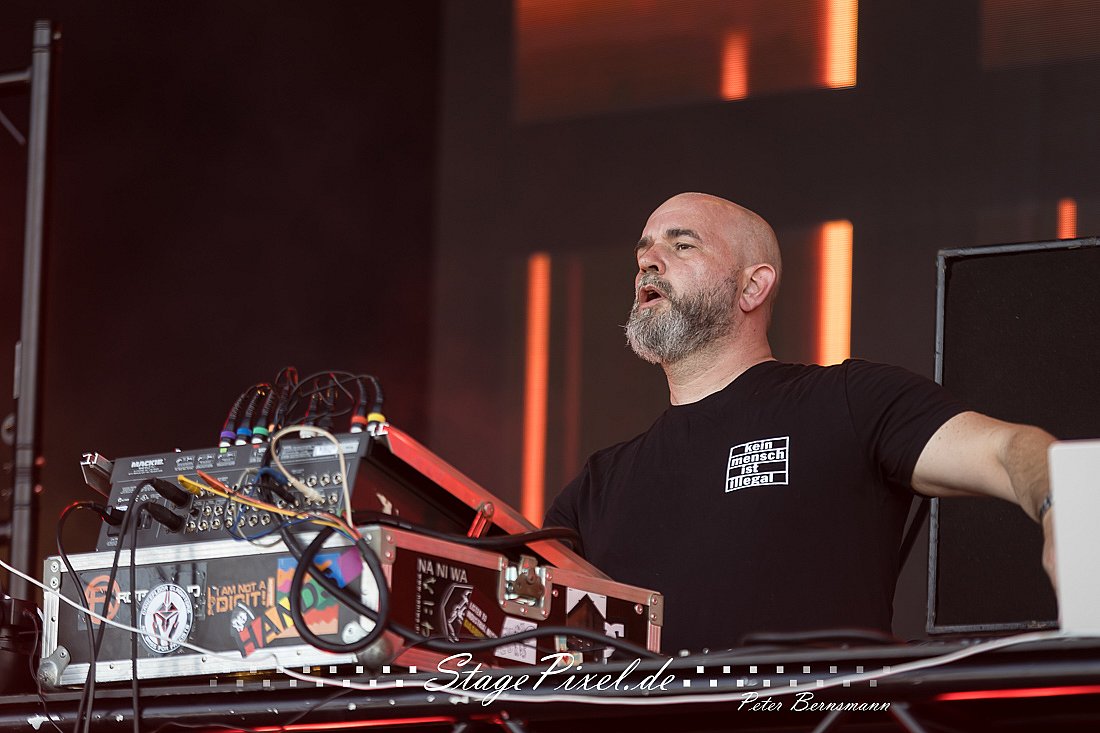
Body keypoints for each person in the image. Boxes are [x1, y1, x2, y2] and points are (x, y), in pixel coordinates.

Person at [544, 192, 1057, 653]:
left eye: (681, 246)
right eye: (644, 252)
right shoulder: (597, 486)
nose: (648, 263)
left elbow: (1009, 450)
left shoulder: (847, 401)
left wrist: (1063, 516)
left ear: (752, 287)